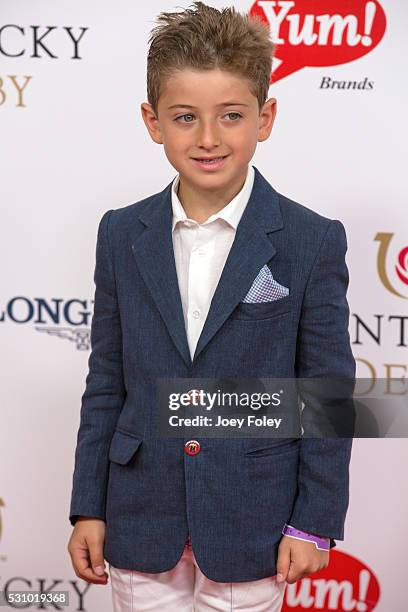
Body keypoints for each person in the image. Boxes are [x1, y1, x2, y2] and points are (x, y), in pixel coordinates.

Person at [67, 2, 355, 610]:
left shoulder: (311, 239)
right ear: (152, 122)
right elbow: (105, 382)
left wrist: (312, 521)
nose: (207, 138)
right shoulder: (121, 233)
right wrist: (89, 504)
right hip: (141, 513)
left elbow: (326, 392)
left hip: (254, 517)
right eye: (184, 117)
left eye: (230, 116)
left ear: (265, 117)